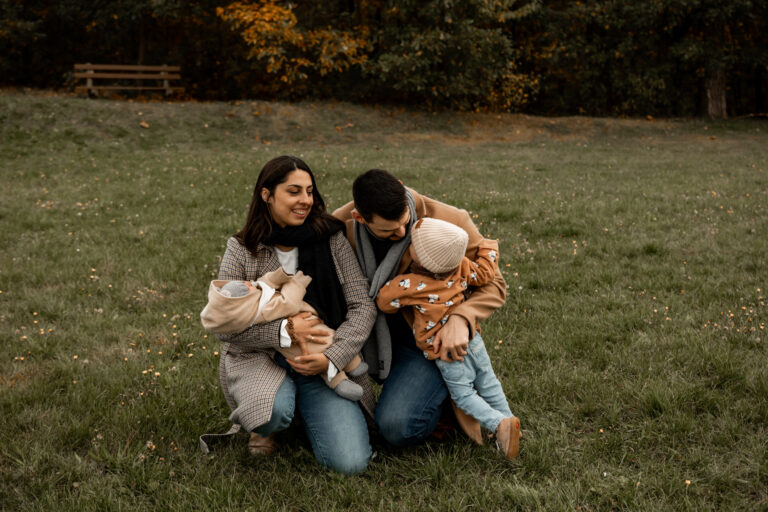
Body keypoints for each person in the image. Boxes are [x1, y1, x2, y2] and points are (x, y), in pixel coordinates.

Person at [201, 155, 376, 475]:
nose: (305, 200)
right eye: (294, 191)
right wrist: (285, 331)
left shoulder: (331, 237)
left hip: (322, 360)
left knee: (350, 463)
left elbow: (362, 306)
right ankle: (267, 424)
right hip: (260, 358)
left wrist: (332, 358)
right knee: (272, 412)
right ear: (267, 195)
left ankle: (306, 411)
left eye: (309, 191)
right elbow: (224, 325)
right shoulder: (242, 247)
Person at [333, 169, 507, 449]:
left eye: (405, 222)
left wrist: (461, 319)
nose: (402, 233)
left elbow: (494, 284)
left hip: (428, 344)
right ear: (360, 218)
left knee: (396, 427)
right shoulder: (339, 227)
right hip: (367, 336)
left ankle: (447, 402)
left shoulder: (449, 220)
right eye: (389, 231)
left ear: (402, 189)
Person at [375, 217, 521, 458]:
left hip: (445, 351)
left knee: (464, 395)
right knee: (489, 383)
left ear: (422, 259)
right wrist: (488, 247)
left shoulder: (409, 285)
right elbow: (485, 273)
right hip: (472, 340)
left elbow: (384, 302)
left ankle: (498, 424)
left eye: (413, 245)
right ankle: (510, 421)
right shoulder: (462, 266)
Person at [200, 270, 369, 401]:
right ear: (247, 298)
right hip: (293, 347)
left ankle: (348, 363)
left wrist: (280, 275)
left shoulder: (253, 298)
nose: (249, 282)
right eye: (247, 285)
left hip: (306, 330)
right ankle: (341, 378)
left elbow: (264, 282)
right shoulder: (265, 309)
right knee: (319, 347)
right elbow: (289, 303)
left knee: (326, 339)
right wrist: (295, 282)